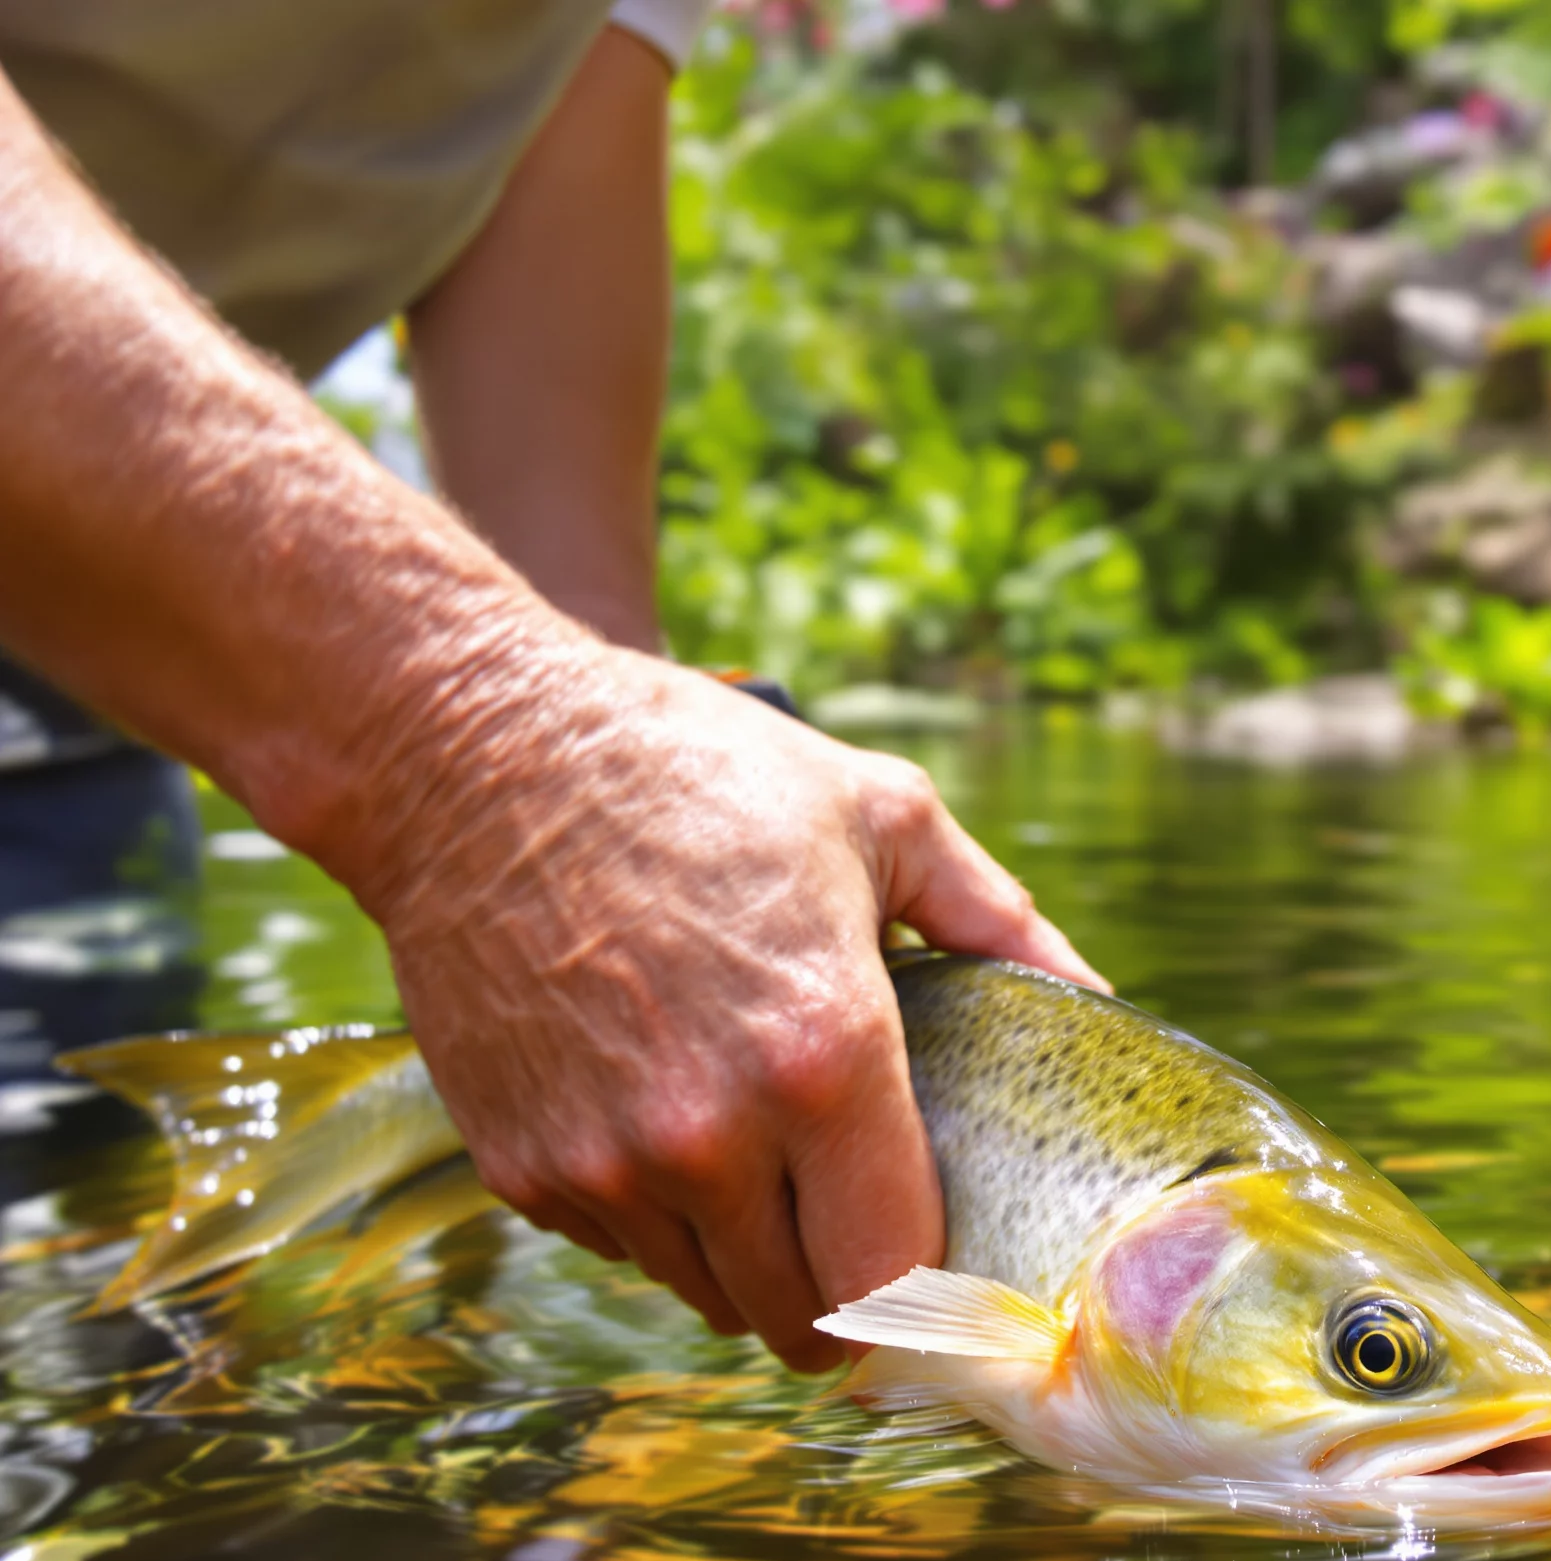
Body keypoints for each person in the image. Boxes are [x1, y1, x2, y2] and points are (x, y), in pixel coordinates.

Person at [0, 1, 1103, 1371]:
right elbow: (507, 761)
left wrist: (652, 796)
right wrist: (472, 760)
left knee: (101, 1360)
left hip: (93, 652)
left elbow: (581, 639)